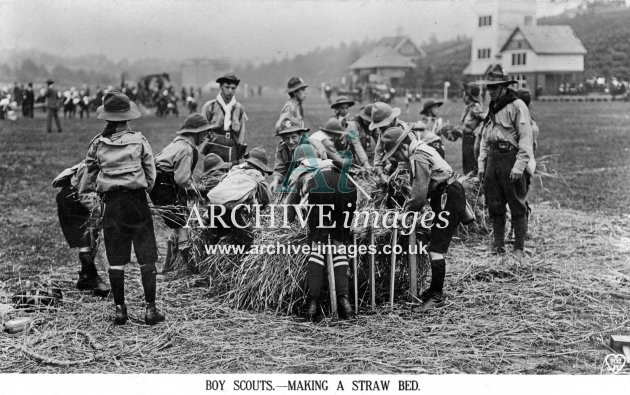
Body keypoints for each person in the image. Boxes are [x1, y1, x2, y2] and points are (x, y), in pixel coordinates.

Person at [81, 90, 164, 326]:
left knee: (115, 258)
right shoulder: (140, 141)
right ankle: (150, 310)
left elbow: (90, 173)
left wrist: (104, 188)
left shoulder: (97, 143)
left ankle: (120, 310)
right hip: (137, 202)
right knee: (146, 256)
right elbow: (151, 175)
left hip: (112, 205)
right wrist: (140, 189)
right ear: (128, 117)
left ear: (107, 117)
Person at [379, 126, 466, 313]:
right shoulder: (422, 148)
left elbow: (419, 195)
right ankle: (434, 291)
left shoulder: (418, 157)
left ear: (402, 147)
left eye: (395, 154)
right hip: (447, 195)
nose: (396, 159)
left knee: (436, 248)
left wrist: (406, 212)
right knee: (435, 245)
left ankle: (436, 297)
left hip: (447, 197)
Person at [282, 144, 357, 321]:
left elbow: (291, 203)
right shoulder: (327, 162)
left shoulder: (300, 171)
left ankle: (312, 304)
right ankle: (344, 302)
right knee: (339, 246)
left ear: (299, 160)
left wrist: (290, 221)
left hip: (321, 188)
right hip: (346, 186)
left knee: (318, 247)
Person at [477, 65, 534, 261]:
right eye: (489, 87)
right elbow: (485, 138)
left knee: (517, 205)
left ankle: (518, 248)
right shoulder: (491, 107)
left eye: (495, 87)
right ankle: (498, 245)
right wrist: (482, 166)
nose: (491, 91)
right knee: (495, 205)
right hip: (493, 159)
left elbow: (526, 139)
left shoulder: (517, 106)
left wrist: (519, 166)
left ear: (504, 86)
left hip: (511, 158)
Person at [151, 113, 212, 273]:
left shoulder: (177, 143)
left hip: (158, 186)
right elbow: (182, 179)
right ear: (196, 133)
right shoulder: (187, 150)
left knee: (176, 227)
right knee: (182, 226)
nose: (205, 136)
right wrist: (198, 191)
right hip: (165, 187)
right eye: (204, 133)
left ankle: (168, 268)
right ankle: (193, 270)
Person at [53, 161, 110, 296]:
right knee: (86, 239)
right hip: (72, 200)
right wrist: (102, 211)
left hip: (87, 200)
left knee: (91, 239)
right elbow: (84, 195)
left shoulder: (113, 158)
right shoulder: (94, 165)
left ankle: (86, 276)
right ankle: (91, 278)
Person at [206, 147, 272, 246]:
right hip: (231, 212)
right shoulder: (258, 176)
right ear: (261, 167)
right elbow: (266, 200)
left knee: (217, 237)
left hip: (212, 209)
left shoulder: (233, 171)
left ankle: (213, 256)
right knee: (246, 241)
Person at [199, 73, 248, 164]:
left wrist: (240, 147)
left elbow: (241, 131)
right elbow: (202, 128)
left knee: (231, 173)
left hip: (232, 144)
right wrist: (205, 143)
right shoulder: (210, 106)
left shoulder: (239, 108)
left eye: (233, 88)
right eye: (227, 87)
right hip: (214, 144)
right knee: (213, 171)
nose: (230, 91)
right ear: (221, 87)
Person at [446, 83, 485, 174]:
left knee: (472, 169)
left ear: (469, 96)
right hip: (466, 140)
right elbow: (465, 125)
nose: (463, 97)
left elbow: (485, 120)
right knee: (467, 169)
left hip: (473, 142)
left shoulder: (476, 107)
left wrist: (478, 130)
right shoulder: (468, 108)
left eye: (464, 94)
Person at [368, 102, 411, 183]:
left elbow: (411, 158)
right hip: (395, 167)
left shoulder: (405, 130)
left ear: (391, 120)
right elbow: (378, 153)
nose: (381, 129)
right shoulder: (383, 131)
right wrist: (381, 174)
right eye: (379, 127)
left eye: (383, 126)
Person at [270, 117, 313, 191]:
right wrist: (276, 181)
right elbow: (280, 169)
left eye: (294, 137)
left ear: (300, 135)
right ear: (282, 139)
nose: (290, 141)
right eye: (287, 138)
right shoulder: (282, 149)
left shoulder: (309, 147)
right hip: (293, 184)